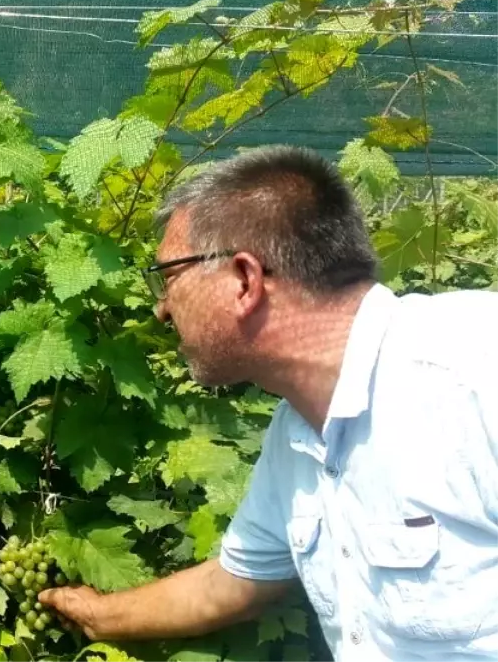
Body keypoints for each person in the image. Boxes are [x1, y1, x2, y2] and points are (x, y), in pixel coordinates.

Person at [38, 145, 498, 659]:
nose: (162, 310)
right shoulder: (298, 431)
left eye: (169, 279)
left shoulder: (475, 369)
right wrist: (101, 616)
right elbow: (235, 583)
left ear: (243, 281)